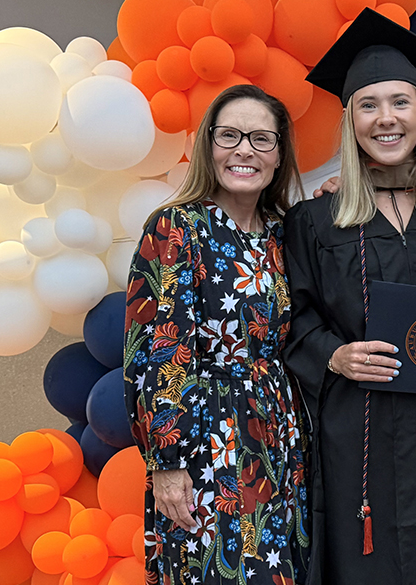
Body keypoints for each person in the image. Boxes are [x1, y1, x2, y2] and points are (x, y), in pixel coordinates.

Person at [282, 9, 416, 585]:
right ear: (350, 120)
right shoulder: (315, 220)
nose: (386, 118)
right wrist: (333, 355)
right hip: (359, 426)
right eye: (369, 105)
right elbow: (291, 318)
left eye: (401, 102)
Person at [124, 84, 309, 584]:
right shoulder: (175, 228)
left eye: (260, 139)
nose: (244, 149)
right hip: (205, 438)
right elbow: (159, 352)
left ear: (279, 154)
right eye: (229, 135)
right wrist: (166, 461)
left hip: (278, 436)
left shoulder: (284, 232)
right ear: (208, 145)